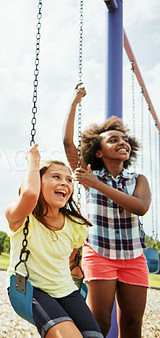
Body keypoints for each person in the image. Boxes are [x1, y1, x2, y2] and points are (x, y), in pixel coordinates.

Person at [63, 83, 151, 337]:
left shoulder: (138, 179)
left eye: (125, 140)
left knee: (133, 324)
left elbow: (140, 207)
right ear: (99, 152)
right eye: (114, 140)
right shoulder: (90, 174)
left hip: (134, 256)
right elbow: (68, 143)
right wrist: (73, 103)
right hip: (99, 252)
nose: (122, 143)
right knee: (99, 323)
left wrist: (97, 185)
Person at [6, 144, 103, 338]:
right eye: (56, 177)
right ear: (37, 181)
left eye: (68, 179)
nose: (64, 183)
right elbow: (30, 195)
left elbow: (73, 261)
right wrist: (33, 163)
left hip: (67, 292)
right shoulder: (21, 217)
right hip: (31, 290)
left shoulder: (75, 224)